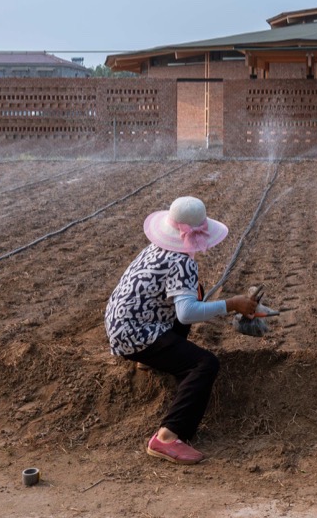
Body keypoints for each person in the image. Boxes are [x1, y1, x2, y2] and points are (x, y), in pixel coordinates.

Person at [104, 196, 262, 465]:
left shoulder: (154, 248)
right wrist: (232, 304)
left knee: (193, 293)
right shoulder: (183, 263)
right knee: (204, 364)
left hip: (119, 323)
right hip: (136, 333)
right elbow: (186, 313)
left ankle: (147, 360)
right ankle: (167, 437)